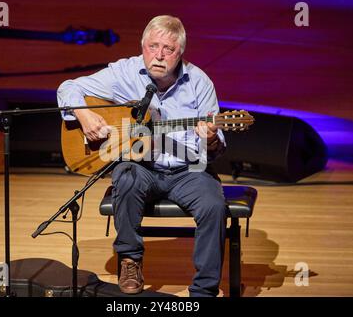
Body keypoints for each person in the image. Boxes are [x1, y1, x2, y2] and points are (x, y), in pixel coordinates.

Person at [57, 15, 227, 297]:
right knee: (126, 176)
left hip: (189, 170)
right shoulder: (124, 72)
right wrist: (83, 114)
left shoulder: (199, 82)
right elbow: (68, 87)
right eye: (153, 46)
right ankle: (130, 260)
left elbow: (217, 146)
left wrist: (209, 137)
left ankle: (205, 289)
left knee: (213, 205)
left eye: (168, 49)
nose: (158, 55)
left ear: (180, 52)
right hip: (142, 167)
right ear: (142, 46)